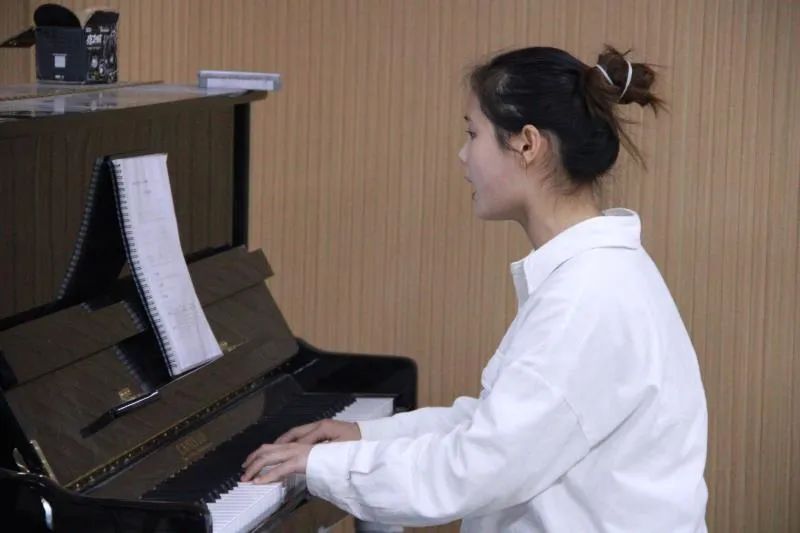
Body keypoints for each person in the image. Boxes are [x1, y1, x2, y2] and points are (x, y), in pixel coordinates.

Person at [241, 45, 708, 532]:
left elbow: (476, 470)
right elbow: (497, 425)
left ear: (527, 144)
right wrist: (366, 436)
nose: (463, 156)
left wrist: (322, 466)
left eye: (473, 134)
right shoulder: (594, 275)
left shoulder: (586, 298)